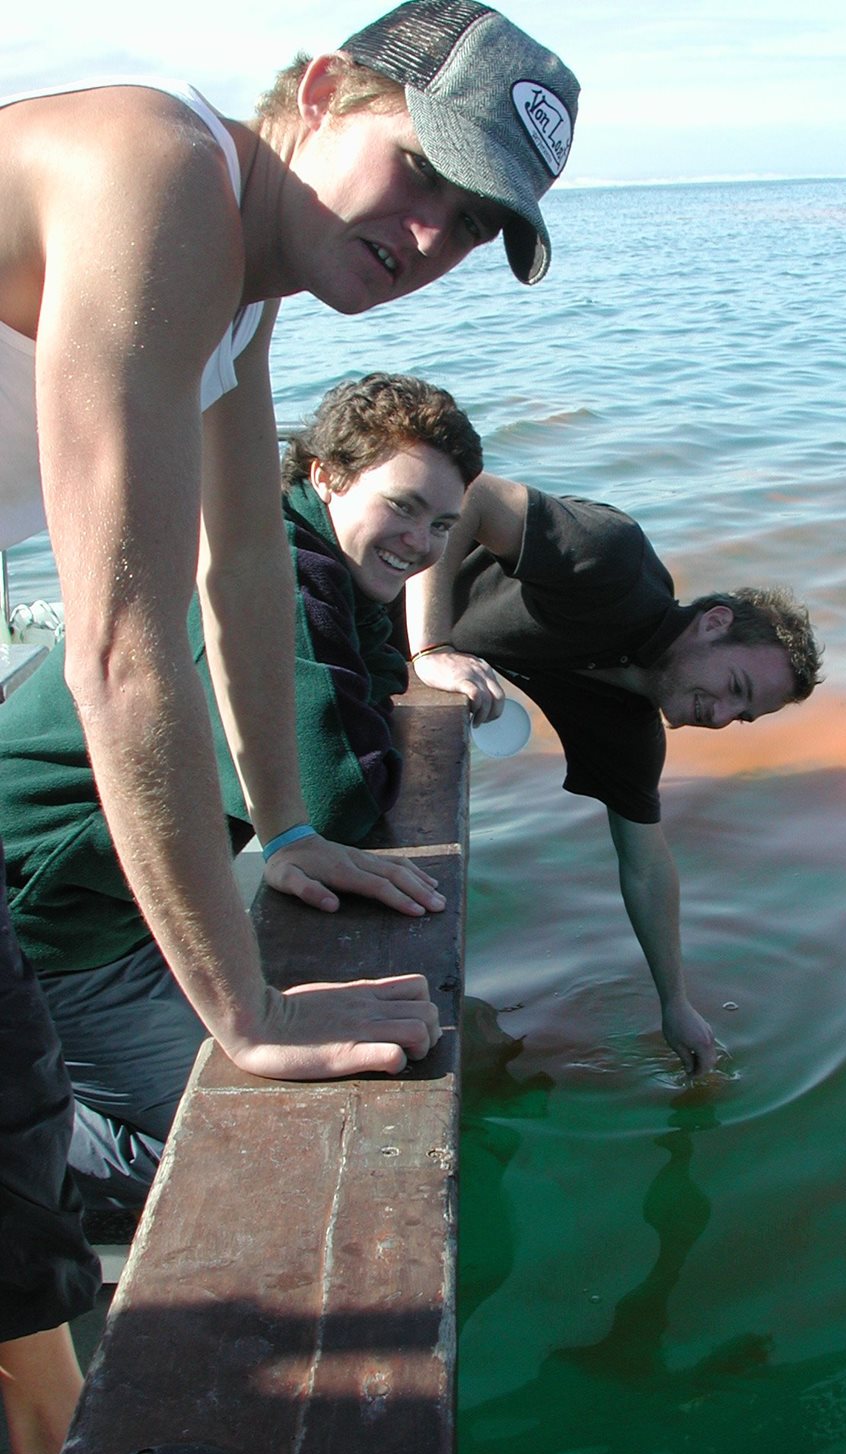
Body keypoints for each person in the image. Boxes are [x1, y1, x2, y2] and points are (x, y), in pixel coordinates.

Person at [0, 2, 578, 1454]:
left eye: (474, 226)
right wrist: (241, 1011)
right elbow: (120, 646)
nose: (430, 239)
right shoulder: (159, 170)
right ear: (322, 91)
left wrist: (290, 826)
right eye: (422, 174)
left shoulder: (239, 291)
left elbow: (240, 569)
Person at [0, 370, 484, 1211]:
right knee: (233, 1152)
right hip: (53, 910)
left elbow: (369, 694)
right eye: (403, 506)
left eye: (443, 524)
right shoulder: (284, 578)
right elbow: (340, 798)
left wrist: (388, 672)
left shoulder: (319, 557)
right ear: (326, 474)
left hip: (121, 891)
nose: (422, 543)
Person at [405, 475, 823, 1077]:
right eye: (735, 687)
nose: (721, 716)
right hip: (346, 570)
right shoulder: (614, 560)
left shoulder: (629, 733)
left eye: (742, 717)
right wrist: (431, 648)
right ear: (714, 623)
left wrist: (675, 1003)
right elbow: (471, 492)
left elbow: (647, 865)